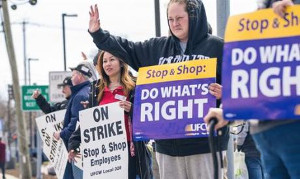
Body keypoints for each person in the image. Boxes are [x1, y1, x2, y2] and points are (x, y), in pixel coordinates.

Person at [88, 0, 227, 178]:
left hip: (205, 147)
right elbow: (126, 48)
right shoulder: (157, 49)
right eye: (170, 19)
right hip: (167, 148)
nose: (175, 24)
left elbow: (240, 91)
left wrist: (226, 94)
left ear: (194, 16)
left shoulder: (217, 47)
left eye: (180, 18)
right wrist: (98, 34)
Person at [68, 51, 153, 179]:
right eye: (104, 61)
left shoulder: (135, 86)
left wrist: (132, 109)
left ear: (121, 62)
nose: (108, 64)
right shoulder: (96, 90)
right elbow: (90, 122)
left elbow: (148, 116)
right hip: (104, 154)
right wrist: (74, 143)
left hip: (130, 152)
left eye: (112, 59)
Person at [53, 63, 92, 179]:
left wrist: (60, 134)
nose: (71, 78)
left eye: (73, 75)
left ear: (80, 76)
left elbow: (76, 125)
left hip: (77, 150)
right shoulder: (86, 91)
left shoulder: (80, 96)